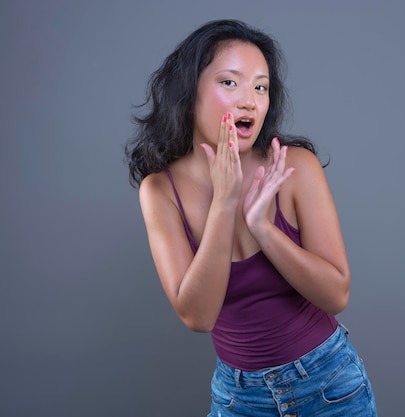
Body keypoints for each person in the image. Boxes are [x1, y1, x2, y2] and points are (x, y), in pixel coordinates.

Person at [125, 19, 377, 416]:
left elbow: (336, 295)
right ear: (189, 91)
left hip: (328, 385)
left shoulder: (294, 167)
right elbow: (198, 315)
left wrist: (263, 228)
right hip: (239, 398)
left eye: (261, 87)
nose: (250, 101)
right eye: (230, 83)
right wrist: (225, 203)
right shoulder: (160, 191)